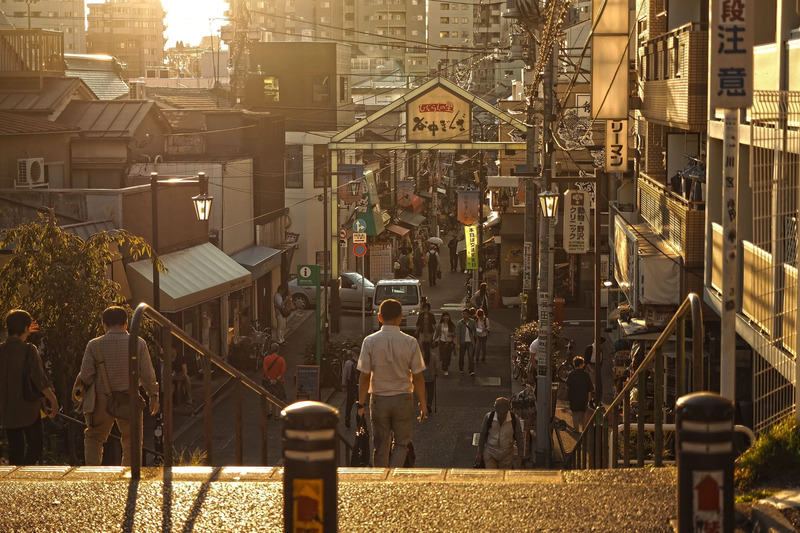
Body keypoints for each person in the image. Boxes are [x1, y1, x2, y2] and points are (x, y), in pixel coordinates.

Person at [79, 306, 159, 466]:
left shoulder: (94, 345)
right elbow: (147, 374)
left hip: (101, 399)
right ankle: (129, 476)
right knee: (132, 441)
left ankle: (92, 474)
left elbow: (86, 375)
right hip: (129, 397)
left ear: (104, 324)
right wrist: (153, 396)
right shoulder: (138, 343)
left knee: (94, 437)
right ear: (126, 323)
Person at [356, 299, 427, 468]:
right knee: (402, 443)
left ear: (380, 317)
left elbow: (364, 376)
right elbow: (418, 376)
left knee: (380, 445)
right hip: (403, 398)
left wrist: (361, 403)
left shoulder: (370, 341)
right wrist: (423, 404)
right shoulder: (410, 342)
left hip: (379, 398)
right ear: (400, 318)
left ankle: (380, 478)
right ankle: (394, 475)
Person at [0, 310, 59, 465]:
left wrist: (22, 329)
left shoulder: (2, 350)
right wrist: (53, 400)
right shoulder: (29, 350)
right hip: (29, 407)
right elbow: (39, 379)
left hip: (8, 408)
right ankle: (23, 474)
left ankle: (14, 479)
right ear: (26, 328)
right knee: (35, 445)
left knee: (15, 449)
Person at [475, 397, 523, 469]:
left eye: (504, 414)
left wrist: (520, 455)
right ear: (495, 410)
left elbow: (519, 438)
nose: (501, 416)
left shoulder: (514, 419)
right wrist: (479, 452)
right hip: (490, 453)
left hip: (507, 455)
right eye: (499, 413)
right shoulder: (489, 417)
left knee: (504, 477)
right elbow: (483, 435)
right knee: (491, 477)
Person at [566, 356, 594, 433]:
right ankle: (584, 428)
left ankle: (576, 428)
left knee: (574, 413)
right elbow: (589, 388)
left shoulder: (571, 374)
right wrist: (589, 398)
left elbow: (568, 385)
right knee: (584, 412)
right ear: (581, 364)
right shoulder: (586, 374)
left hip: (574, 396)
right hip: (583, 396)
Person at [262, 342, 287, 419]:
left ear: (270, 350)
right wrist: (277, 379)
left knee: (269, 396)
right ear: (278, 350)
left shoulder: (266, 359)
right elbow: (283, 371)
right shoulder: (281, 360)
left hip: (268, 381)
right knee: (278, 397)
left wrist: (270, 378)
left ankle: (270, 411)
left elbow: (265, 370)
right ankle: (276, 415)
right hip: (278, 382)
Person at [341, 348, 360, 429]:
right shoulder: (363, 362)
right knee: (360, 402)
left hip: (351, 385)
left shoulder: (348, 363)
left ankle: (347, 417)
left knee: (349, 401)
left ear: (353, 353)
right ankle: (359, 419)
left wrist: (343, 385)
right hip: (360, 385)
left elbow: (344, 375)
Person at [456, 308, 477, 376]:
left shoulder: (472, 322)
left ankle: (471, 370)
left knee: (471, 357)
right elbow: (458, 334)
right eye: (463, 314)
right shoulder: (460, 323)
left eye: (465, 314)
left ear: (468, 315)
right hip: (462, 342)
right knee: (461, 356)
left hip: (470, 341)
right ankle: (461, 367)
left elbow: (474, 331)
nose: (464, 315)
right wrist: (458, 343)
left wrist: (474, 340)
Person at [414, 302, 436, 367]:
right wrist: (416, 330)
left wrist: (434, 331)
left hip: (429, 331)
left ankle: (427, 356)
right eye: (425, 308)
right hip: (422, 330)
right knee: (420, 344)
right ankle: (421, 356)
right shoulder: (421, 315)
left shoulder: (431, 315)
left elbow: (434, 323)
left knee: (428, 344)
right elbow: (418, 323)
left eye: (427, 308)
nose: (426, 309)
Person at [433, 312, 455, 376]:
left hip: (449, 342)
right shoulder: (440, 325)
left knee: (448, 356)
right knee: (443, 356)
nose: (446, 317)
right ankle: (445, 369)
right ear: (442, 317)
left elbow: (455, 333)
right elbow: (437, 333)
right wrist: (434, 340)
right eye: (445, 316)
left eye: (447, 316)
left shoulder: (451, 325)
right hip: (442, 342)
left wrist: (451, 334)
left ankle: (446, 366)